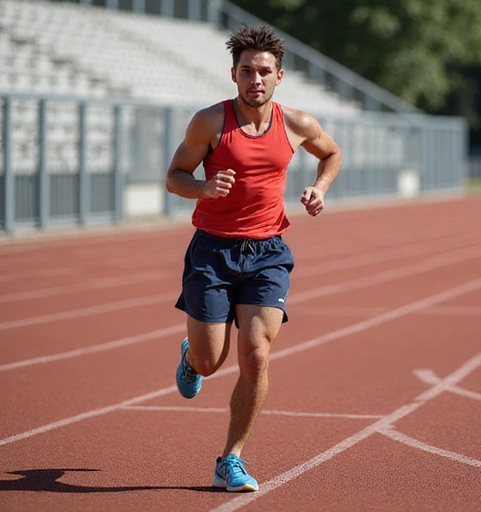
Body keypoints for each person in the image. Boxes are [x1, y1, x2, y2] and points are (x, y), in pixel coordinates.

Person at [165, 24, 341, 492]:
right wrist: (203, 186)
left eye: (264, 71)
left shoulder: (298, 124)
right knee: (209, 362)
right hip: (213, 250)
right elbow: (174, 176)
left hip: (268, 253)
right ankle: (192, 357)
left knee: (257, 356)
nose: (255, 79)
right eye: (247, 71)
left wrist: (319, 189)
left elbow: (332, 153)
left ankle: (231, 459)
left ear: (279, 76)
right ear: (234, 75)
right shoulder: (209, 123)